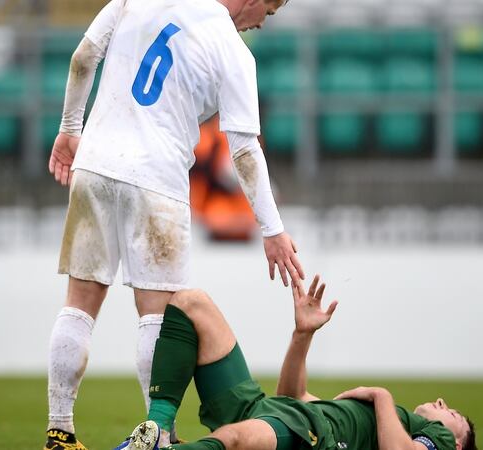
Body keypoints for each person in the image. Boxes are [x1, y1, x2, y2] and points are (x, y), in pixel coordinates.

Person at [43, 0, 303, 448]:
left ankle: (59, 431)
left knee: (78, 306)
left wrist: (70, 128)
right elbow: (244, 149)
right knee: (158, 318)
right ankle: (159, 436)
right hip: (156, 179)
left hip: (94, 164)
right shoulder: (233, 50)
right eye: (270, 10)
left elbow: (83, 56)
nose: (262, 22)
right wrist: (272, 229)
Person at [115, 275, 478, 450]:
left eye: (454, 415)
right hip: (272, 410)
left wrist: (380, 394)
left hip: (312, 438)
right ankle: (158, 429)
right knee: (191, 302)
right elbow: (293, 395)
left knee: (234, 439)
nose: (443, 403)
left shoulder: (437, 438)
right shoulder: (384, 423)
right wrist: (302, 335)